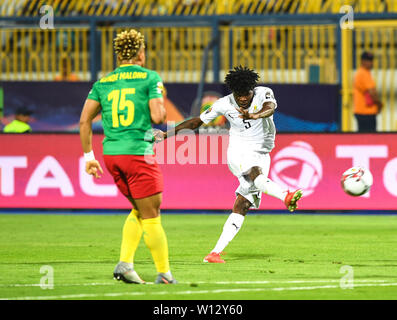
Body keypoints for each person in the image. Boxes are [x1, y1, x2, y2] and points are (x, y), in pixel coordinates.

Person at [155, 66, 302, 263]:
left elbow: (270, 108)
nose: (243, 98)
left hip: (262, 153)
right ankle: (286, 195)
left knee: (243, 204)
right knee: (254, 173)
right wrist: (166, 134)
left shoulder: (264, 93)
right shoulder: (223, 104)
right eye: (239, 94)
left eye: (246, 93)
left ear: (253, 88)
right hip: (238, 151)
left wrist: (255, 115)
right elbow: (195, 122)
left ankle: (214, 253)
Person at [79, 29, 177, 284]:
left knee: (138, 208)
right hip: (137, 154)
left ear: (119, 55)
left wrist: (89, 157)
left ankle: (125, 265)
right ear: (141, 53)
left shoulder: (103, 82)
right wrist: (157, 105)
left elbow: (84, 120)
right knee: (152, 213)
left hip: (111, 155)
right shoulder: (150, 78)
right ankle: (164, 274)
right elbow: (158, 117)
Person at [353, 51, 383, 132]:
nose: (371, 63)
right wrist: (379, 104)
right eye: (368, 60)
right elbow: (372, 92)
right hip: (365, 113)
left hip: (365, 112)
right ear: (362, 61)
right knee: (369, 138)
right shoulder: (363, 73)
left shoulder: (365, 73)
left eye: (371, 60)